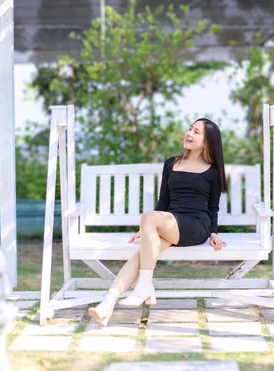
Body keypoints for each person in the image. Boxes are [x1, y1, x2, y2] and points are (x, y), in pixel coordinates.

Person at [88, 118, 229, 326]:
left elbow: (213, 208)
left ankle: (144, 287)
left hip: (196, 226)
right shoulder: (171, 164)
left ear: (207, 142)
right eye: (190, 128)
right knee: (141, 254)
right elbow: (164, 200)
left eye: (196, 132)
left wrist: (214, 232)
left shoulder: (212, 171)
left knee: (148, 218)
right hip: (171, 223)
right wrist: (148, 229)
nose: (189, 133)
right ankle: (107, 304)